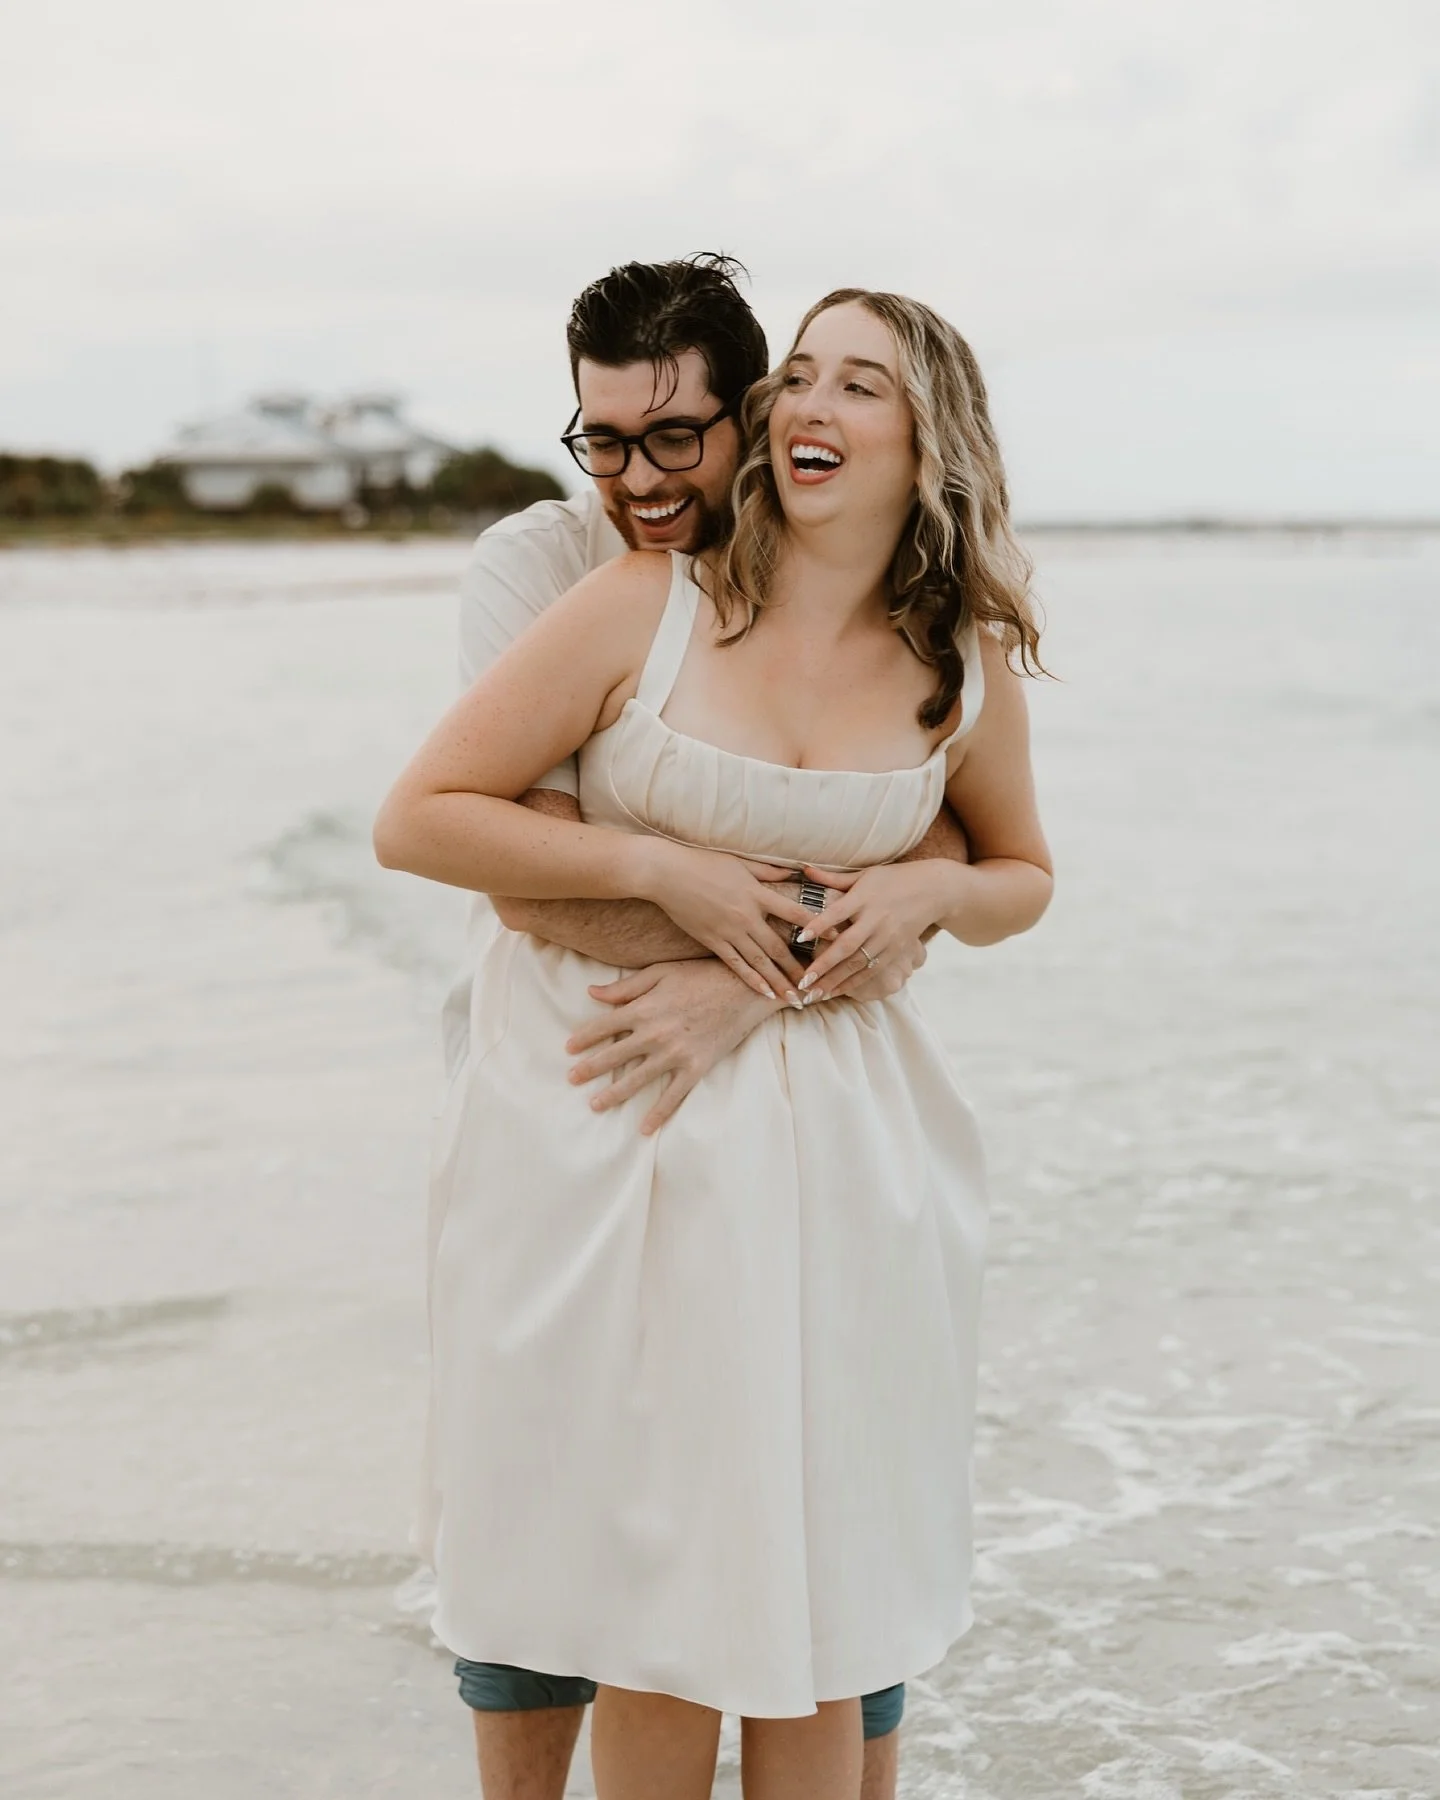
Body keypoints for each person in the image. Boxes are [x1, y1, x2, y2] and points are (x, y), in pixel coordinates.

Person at [377, 286, 1052, 1798]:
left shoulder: (953, 655)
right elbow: (449, 825)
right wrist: (672, 877)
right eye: (603, 439)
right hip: (607, 1112)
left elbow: (995, 860)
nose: (640, 473)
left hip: (847, 1160)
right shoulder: (588, 584)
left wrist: (877, 920)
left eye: (849, 385)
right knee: (618, 1560)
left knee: (820, 1576)